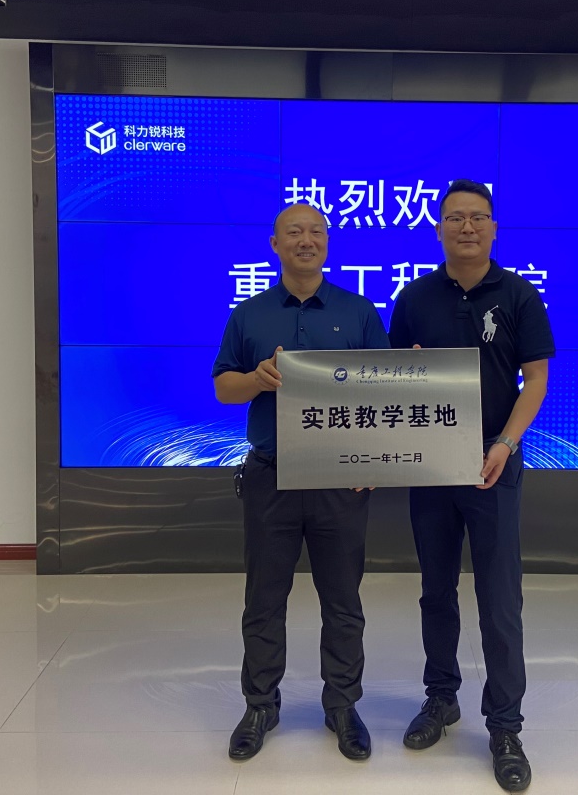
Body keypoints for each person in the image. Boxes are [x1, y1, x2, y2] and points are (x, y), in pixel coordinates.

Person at [388, 180, 553, 793]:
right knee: (435, 589)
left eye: (478, 217)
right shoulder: (413, 297)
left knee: (499, 598)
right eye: (455, 217)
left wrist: (504, 443)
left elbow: (535, 380)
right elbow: (391, 376)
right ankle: (441, 697)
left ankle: (505, 725)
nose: (466, 227)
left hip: (493, 463)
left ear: (493, 227)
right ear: (438, 228)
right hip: (430, 465)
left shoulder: (518, 295)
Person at [213, 203, 390, 763]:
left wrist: (372, 462)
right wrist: (256, 378)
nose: (306, 240)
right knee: (264, 599)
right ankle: (260, 705)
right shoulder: (250, 314)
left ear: (327, 243)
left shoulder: (358, 312)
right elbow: (223, 388)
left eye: (316, 231)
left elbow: (385, 392)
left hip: (341, 478)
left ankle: (342, 705)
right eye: (294, 232)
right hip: (271, 477)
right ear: (275, 244)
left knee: (343, 601)